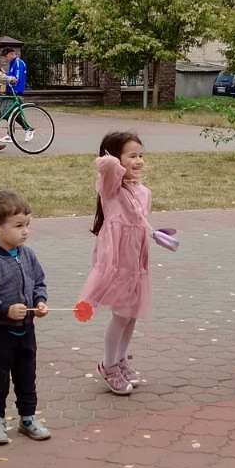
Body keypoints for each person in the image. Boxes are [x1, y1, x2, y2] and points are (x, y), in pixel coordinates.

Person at [0, 190, 52, 446]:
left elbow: (39, 282)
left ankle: (27, 418)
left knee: (27, 375)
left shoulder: (28, 255)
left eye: (27, 224)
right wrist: (5, 309)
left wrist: (40, 301)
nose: (25, 231)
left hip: (26, 331)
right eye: (18, 226)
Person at [74, 131, 152, 395]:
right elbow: (105, 166)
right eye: (132, 155)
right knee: (120, 315)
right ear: (117, 158)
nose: (139, 161)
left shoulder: (143, 192)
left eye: (141, 155)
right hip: (115, 261)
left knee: (131, 315)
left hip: (135, 262)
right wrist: (112, 158)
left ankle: (121, 360)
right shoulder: (110, 187)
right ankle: (108, 365)